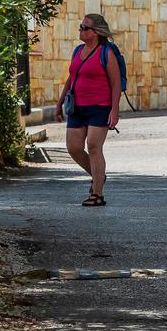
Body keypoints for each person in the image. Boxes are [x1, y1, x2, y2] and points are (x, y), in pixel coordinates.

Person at [57, 12, 120, 206]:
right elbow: (72, 77)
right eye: (81, 26)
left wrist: (114, 110)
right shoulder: (78, 51)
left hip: (99, 107)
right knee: (74, 148)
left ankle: (97, 194)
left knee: (93, 146)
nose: (81, 30)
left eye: (85, 27)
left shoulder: (106, 52)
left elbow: (116, 83)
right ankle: (98, 175)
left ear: (96, 32)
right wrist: (59, 103)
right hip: (77, 107)